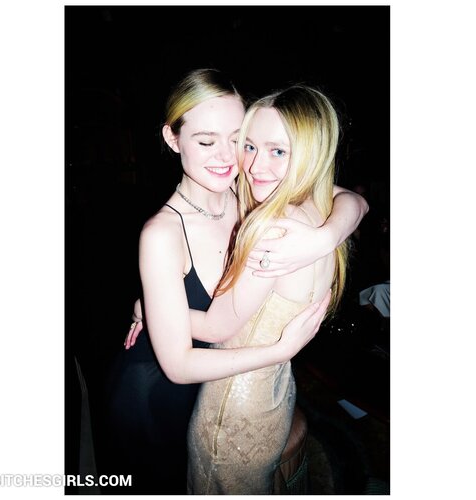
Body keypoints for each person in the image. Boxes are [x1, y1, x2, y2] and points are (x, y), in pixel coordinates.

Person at [103, 69, 367, 494]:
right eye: (206, 141)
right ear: (173, 139)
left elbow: (350, 199)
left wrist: (325, 237)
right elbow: (178, 364)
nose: (228, 157)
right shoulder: (163, 234)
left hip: (222, 386)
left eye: (237, 139)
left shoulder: (248, 190)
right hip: (161, 392)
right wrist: (278, 351)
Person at [186, 84, 348, 494]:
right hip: (275, 396)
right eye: (250, 146)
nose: (256, 165)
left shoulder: (272, 229)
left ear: (310, 154)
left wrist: (149, 308)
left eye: (278, 151)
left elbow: (216, 328)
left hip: (230, 415)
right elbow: (354, 201)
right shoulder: (321, 211)